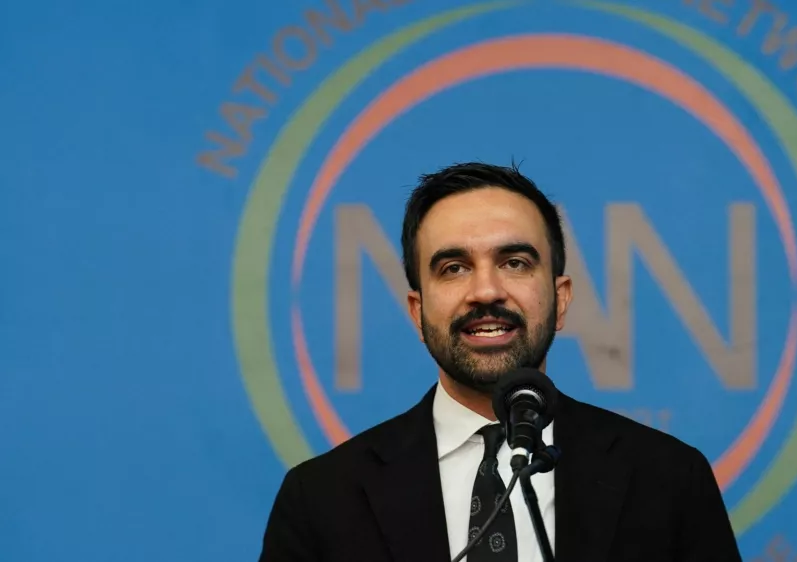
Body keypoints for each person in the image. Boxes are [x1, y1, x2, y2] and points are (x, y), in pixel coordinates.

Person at [258, 161, 743, 562]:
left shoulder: (669, 479)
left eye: (515, 263)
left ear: (561, 298)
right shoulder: (320, 498)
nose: (486, 291)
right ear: (416, 310)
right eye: (453, 268)